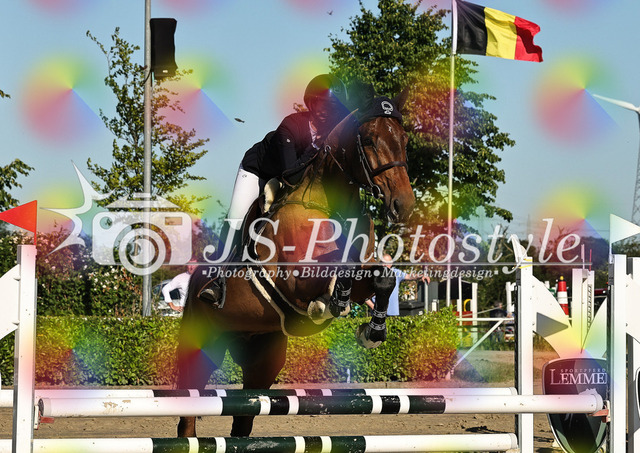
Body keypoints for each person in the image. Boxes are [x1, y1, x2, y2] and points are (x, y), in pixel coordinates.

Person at [199, 74, 350, 308]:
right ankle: (218, 278)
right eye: (321, 104)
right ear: (310, 103)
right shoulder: (292, 125)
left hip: (291, 177)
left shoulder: (332, 135)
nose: (326, 111)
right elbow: (290, 174)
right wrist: (317, 149)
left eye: (332, 107)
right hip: (258, 171)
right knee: (237, 217)